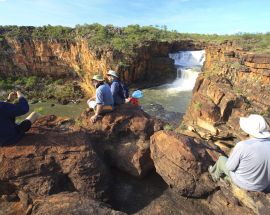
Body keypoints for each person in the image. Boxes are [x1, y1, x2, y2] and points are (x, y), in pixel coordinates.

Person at [208, 114, 270, 192]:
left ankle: (215, 175)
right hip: (263, 186)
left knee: (222, 160)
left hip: (246, 184)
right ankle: (226, 178)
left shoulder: (243, 146)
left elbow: (229, 167)